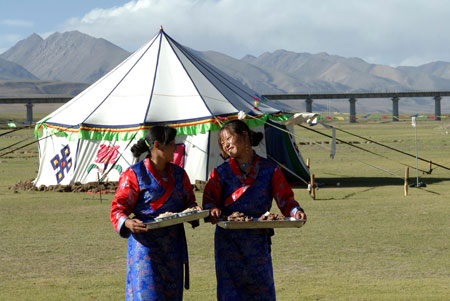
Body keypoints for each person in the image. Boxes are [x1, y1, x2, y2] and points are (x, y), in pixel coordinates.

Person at [202, 119, 307, 301]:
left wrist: (295, 211)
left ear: (244, 135)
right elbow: (209, 201)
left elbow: (286, 199)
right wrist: (212, 211)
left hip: (258, 242)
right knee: (230, 293)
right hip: (228, 243)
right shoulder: (220, 173)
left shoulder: (270, 169)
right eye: (221, 142)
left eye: (228, 138)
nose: (225, 144)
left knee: (261, 291)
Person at [110, 125, 200, 301]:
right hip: (145, 247)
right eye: (172, 144)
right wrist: (128, 223)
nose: (176, 148)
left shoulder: (179, 174)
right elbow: (118, 209)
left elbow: (190, 203)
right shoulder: (134, 174)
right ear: (158, 145)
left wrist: (194, 214)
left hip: (173, 247)